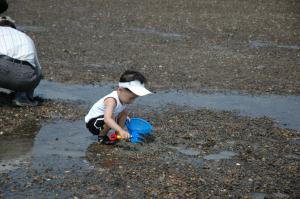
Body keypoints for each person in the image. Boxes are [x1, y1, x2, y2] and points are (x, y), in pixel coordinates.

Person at [85, 70, 152, 144]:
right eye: (131, 98)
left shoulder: (123, 98)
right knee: (111, 117)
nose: (132, 102)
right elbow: (107, 119)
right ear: (120, 90)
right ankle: (102, 137)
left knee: (124, 112)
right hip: (92, 124)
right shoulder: (111, 100)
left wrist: (125, 119)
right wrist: (121, 130)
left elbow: (120, 112)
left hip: (103, 121)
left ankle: (118, 134)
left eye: (135, 98)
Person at [0, 16, 42, 106]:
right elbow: (39, 69)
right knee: (34, 70)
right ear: (12, 26)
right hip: (25, 79)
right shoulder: (25, 37)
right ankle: (23, 97)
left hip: (1, 68)